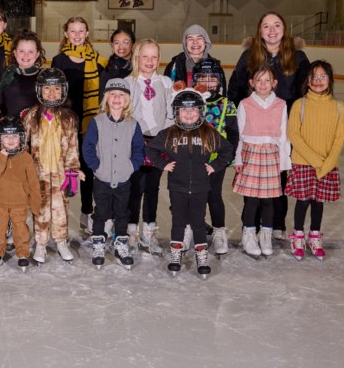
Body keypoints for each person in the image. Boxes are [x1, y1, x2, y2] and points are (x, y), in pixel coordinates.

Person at [228, 11, 311, 239]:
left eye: (276, 25)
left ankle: (275, 224)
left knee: (279, 176)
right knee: (252, 179)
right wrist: (237, 120)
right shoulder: (248, 57)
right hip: (254, 130)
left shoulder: (299, 57)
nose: (272, 31)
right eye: (266, 26)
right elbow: (234, 89)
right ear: (260, 31)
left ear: (284, 30)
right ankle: (251, 225)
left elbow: (306, 92)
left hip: (282, 129)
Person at [147, 89, 235, 279]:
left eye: (193, 110)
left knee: (197, 222)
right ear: (176, 112)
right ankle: (176, 254)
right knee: (178, 221)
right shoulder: (169, 133)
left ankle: (201, 256)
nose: (188, 114)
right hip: (177, 186)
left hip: (201, 187)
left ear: (200, 111)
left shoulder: (207, 132)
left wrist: (214, 166)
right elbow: (152, 149)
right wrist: (164, 164)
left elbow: (227, 150)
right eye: (183, 111)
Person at [284, 60, 344, 261]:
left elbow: (339, 139)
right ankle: (298, 236)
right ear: (307, 80)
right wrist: (316, 161)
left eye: (323, 77)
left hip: (327, 164)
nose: (318, 81)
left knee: (319, 202)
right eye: (314, 77)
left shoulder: (338, 107)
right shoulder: (299, 105)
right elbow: (293, 134)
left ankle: (315, 236)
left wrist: (326, 163)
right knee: (302, 202)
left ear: (330, 80)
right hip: (303, 162)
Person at [81, 79, 145, 269]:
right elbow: (88, 148)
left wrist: (130, 166)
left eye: (121, 95)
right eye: (113, 95)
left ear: (127, 100)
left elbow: (139, 150)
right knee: (100, 212)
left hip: (124, 179)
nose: (117, 99)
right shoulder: (96, 122)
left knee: (122, 213)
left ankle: (121, 243)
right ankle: (99, 243)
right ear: (106, 99)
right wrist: (96, 166)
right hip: (102, 178)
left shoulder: (133, 124)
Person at [51, 16, 107, 231]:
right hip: (65, 124)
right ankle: (58, 215)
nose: (76, 35)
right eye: (72, 31)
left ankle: (86, 212)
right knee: (60, 169)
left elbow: (104, 91)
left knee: (86, 169)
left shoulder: (98, 61)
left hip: (89, 123)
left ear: (87, 34)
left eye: (80, 31)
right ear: (66, 34)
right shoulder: (59, 61)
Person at [23, 68, 82, 265]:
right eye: (47, 89)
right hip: (37, 171)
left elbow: (73, 145)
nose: (51, 93)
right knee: (40, 209)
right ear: (39, 90)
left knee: (60, 209)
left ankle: (61, 240)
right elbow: (24, 145)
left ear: (63, 90)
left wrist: (72, 171)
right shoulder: (32, 115)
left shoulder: (69, 118)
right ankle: (40, 242)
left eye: (56, 89)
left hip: (60, 172)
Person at [233, 65, 291, 258]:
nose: (263, 84)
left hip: (271, 156)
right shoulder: (245, 104)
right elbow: (240, 135)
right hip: (250, 155)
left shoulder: (281, 105)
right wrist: (239, 158)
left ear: (274, 83)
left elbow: (283, 136)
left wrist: (284, 162)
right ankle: (249, 234)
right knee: (251, 201)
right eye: (259, 80)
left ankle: (265, 234)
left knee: (268, 201)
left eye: (267, 80)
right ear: (252, 83)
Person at [126, 39, 174, 255]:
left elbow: (171, 113)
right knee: (135, 189)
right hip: (135, 143)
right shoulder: (127, 83)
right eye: (145, 56)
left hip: (158, 142)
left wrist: (162, 136)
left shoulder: (165, 83)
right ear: (137, 58)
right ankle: (131, 233)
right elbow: (124, 113)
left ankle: (149, 232)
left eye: (154, 56)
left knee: (153, 188)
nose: (150, 61)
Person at [190, 57, 239, 255]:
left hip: (216, 159)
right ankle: (194, 229)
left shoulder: (227, 104)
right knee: (193, 195)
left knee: (214, 195)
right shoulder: (190, 101)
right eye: (203, 77)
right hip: (193, 159)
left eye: (213, 78)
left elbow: (234, 133)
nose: (208, 82)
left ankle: (219, 231)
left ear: (219, 81)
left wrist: (229, 155)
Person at [0, 116, 41, 271]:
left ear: (21, 138)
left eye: (15, 136)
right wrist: (2, 156)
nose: (11, 140)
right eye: (6, 136)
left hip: (19, 202)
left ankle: (22, 253)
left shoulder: (26, 158)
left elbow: (33, 183)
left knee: (20, 228)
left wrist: (35, 203)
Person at [0, 29, 45, 117]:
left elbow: (51, 109)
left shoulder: (44, 77)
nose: (26, 55)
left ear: (37, 54)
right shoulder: (6, 76)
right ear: (15, 53)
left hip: (36, 128)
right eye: (21, 51)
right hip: (10, 128)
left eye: (30, 51)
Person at [100, 28, 135, 93]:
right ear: (112, 46)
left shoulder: (140, 68)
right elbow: (103, 100)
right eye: (116, 43)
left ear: (133, 45)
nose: (121, 47)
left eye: (125, 42)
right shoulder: (107, 72)